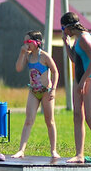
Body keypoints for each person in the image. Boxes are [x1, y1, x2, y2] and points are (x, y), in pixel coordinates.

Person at [60, 12, 91, 163]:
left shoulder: (85, 38)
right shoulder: (76, 40)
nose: (63, 31)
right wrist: (67, 45)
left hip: (90, 78)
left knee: (90, 116)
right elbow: (74, 60)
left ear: (68, 27)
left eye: (63, 28)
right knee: (77, 115)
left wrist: (83, 82)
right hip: (80, 79)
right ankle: (79, 154)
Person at [12, 31, 60, 160]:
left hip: (46, 91)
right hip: (33, 91)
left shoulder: (44, 56)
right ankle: (21, 150)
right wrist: (22, 53)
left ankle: (53, 150)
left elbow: (55, 72)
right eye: (25, 42)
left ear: (37, 43)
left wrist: (53, 89)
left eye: (28, 42)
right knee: (28, 120)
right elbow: (18, 68)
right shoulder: (27, 56)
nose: (26, 44)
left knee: (49, 121)